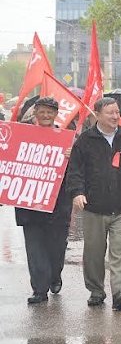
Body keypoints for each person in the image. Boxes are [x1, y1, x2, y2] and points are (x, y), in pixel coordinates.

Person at [67, 97, 121, 310]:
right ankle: (96, 290)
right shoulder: (86, 140)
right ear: (97, 114)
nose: (116, 116)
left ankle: (120, 293)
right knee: (94, 253)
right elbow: (75, 171)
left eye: (117, 112)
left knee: (120, 252)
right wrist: (77, 192)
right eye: (110, 113)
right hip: (94, 207)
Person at [15, 98, 73, 304]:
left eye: (50, 112)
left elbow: (77, 171)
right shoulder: (22, 135)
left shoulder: (66, 139)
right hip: (30, 204)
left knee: (57, 246)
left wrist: (70, 156)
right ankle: (39, 290)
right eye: (42, 112)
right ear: (35, 113)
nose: (46, 116)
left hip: (58, 204)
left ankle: (55, 275)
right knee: (34, 248)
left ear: (56, 114)